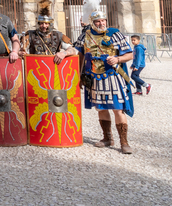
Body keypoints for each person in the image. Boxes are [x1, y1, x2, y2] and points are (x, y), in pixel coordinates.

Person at [55, 10, 134, 154]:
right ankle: (107, 138)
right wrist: (64, 53)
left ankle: (124, 141)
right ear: (92, 23)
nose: (101, 23)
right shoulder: (86, 36)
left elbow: (129, 54)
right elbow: (76, 50)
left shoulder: (115, 34)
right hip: (95, 78)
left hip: (113, 77)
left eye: (103, 20)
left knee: (118, 109)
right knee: (101, 108)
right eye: (98, 21)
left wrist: (117, 59)